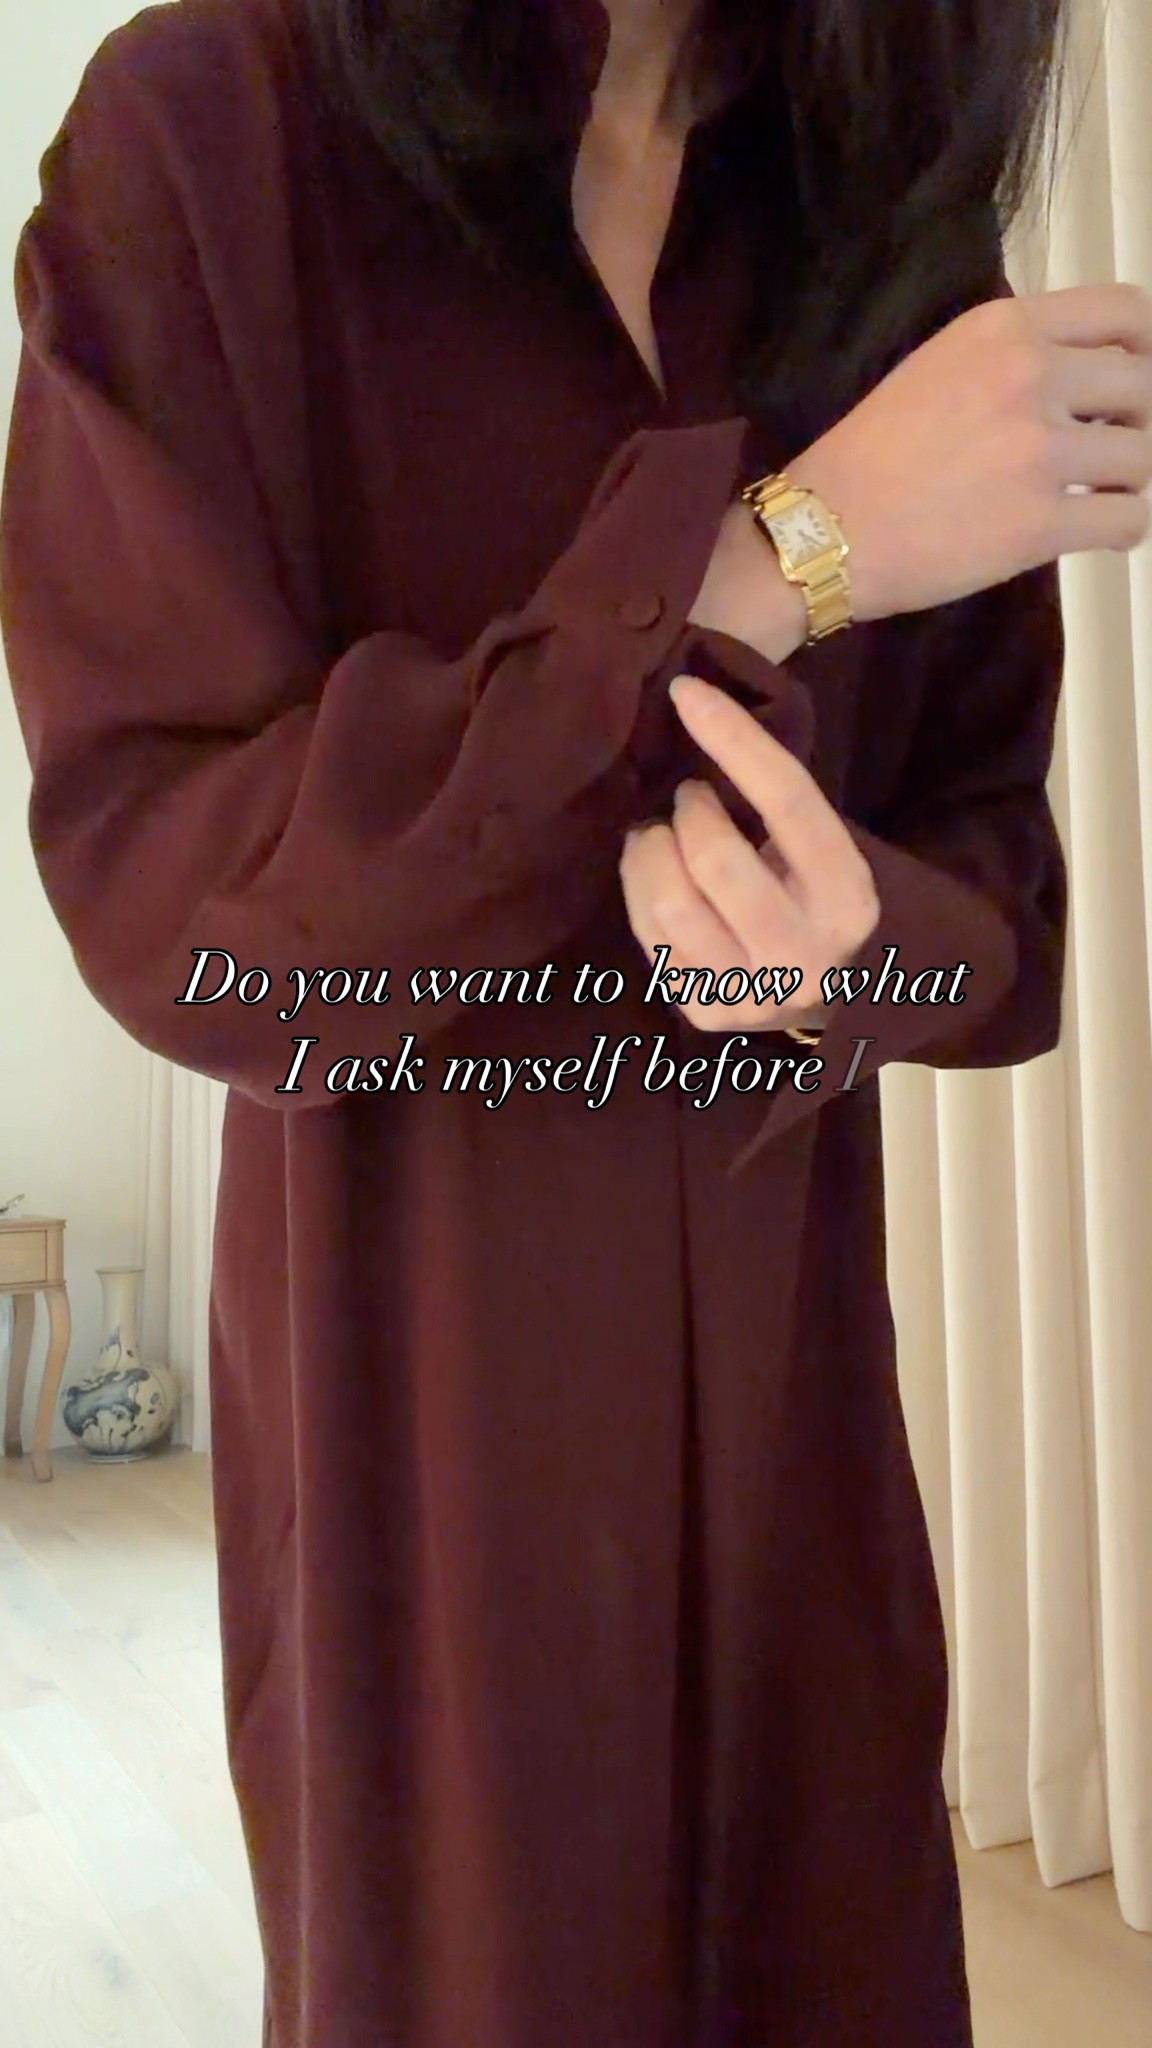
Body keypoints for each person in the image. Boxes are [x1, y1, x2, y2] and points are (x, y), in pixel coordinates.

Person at [3, 0, 1150, 2041]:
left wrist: (837, 957)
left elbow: (1000, 905)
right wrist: (772, 565)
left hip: (799, 1454)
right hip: (416, 1448)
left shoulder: (877, 225)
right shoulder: (209, 141)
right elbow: (188, 921)